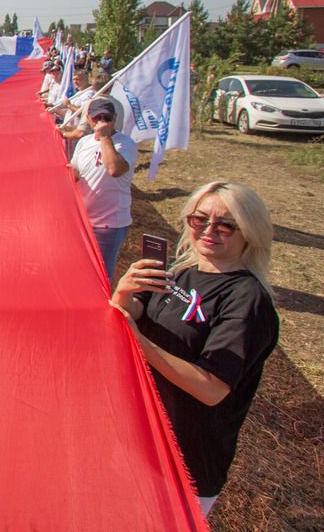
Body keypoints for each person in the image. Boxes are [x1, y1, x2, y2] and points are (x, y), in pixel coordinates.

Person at [110, 182, 279, 515]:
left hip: (185, 457)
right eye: (199, 220)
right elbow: (131, 313)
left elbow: (211, 388)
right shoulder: (182, 269)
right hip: (139, 434)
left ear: (249, 231)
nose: (209, 231)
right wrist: (124, 291)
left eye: (225, 225)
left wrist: (138, 341)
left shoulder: (248, 301)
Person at [70, 98, 137, 279]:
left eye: (105, 118)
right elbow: (75, 173)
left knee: (100, 276)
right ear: (89, 119)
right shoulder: (84, 142)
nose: (100, 122)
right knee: (81, 270)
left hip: (109, 224)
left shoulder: (126, 144)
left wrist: (105, 137)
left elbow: (115, 169)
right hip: (83, 220)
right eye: (96, 118)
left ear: (114, 118)